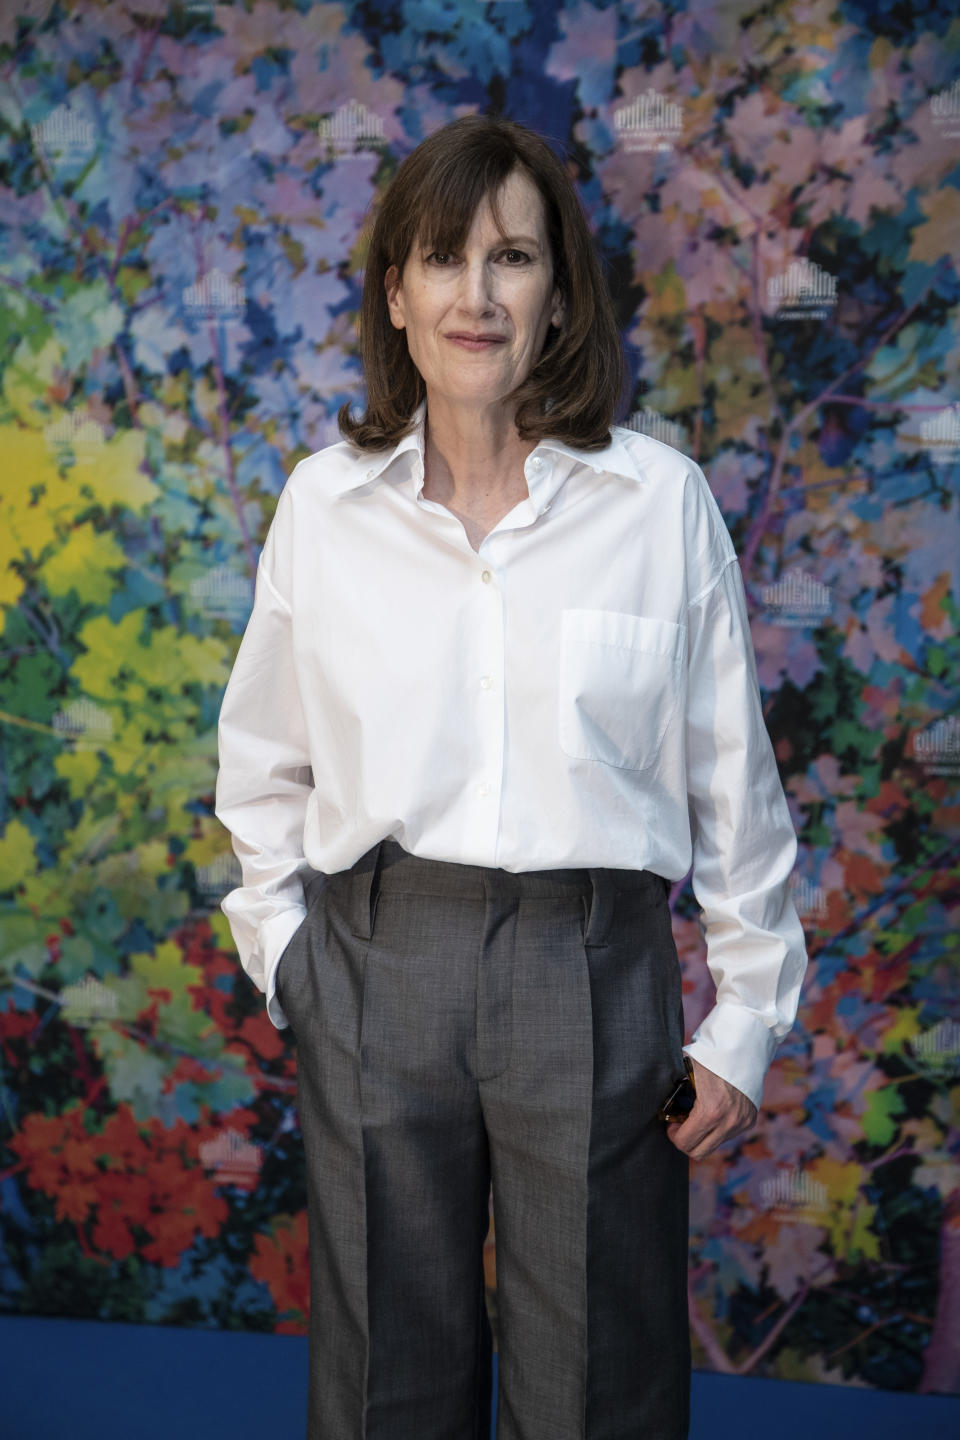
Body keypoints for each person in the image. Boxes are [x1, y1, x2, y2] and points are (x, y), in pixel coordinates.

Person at [215, 113, 808, 1440]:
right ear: (396, 293)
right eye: (444, 259)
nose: (477, 295)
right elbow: (259, 766)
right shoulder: (325, 506)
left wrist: (745, 1025)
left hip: (592, 977)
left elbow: (736, 790)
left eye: (514, 258)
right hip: (377, 968)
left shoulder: (661, 506)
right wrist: (289, 958)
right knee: (387, 1391)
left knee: (596, 1387)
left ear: (557, 297)